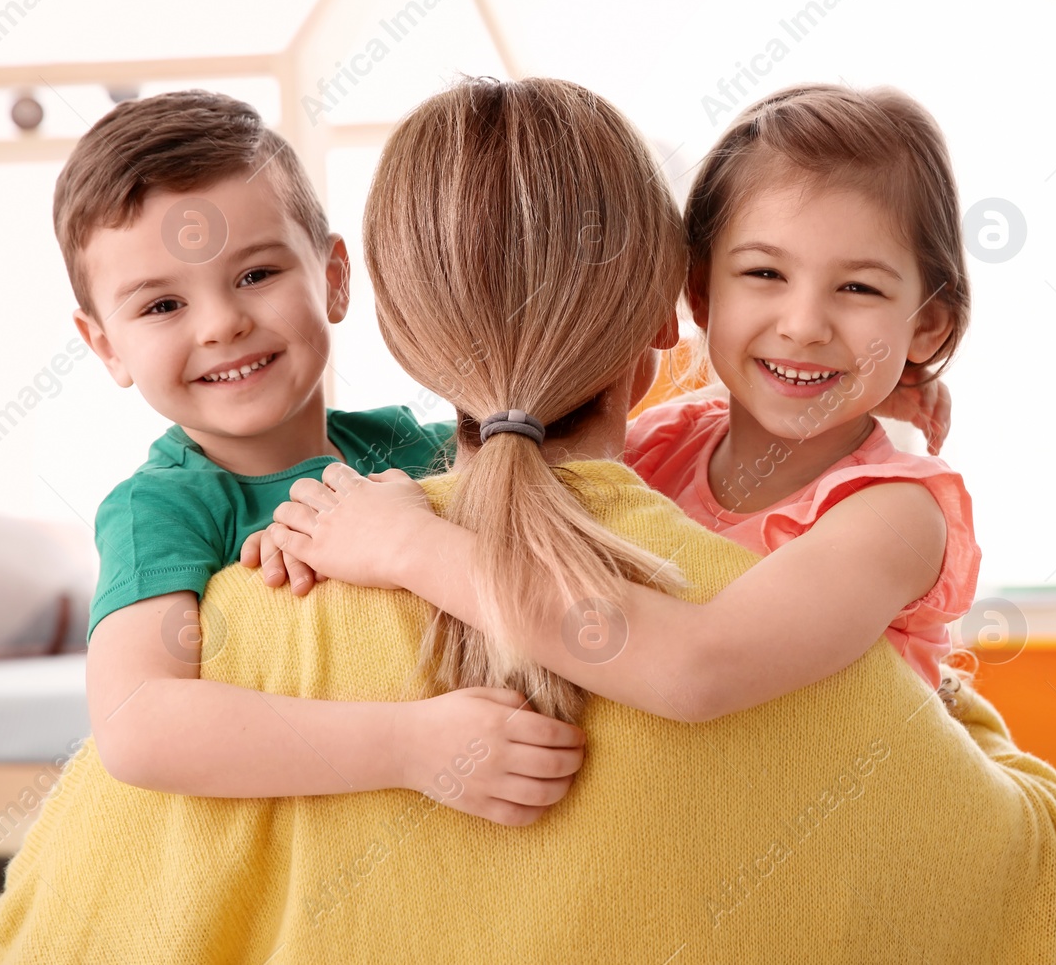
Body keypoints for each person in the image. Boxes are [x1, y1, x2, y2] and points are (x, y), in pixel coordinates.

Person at [0, 77, 1056, 962]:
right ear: (680, 309)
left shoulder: (405, 484)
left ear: (350, 283)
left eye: (255, 272)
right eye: (763, 274)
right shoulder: (176, 515)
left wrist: (414, 548)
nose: (223, 323)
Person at [263, 83, 982, 727]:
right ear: (697, 294)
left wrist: (409, 547)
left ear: (926, 324)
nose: (803, 322)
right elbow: (512, 493)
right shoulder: (658, 442)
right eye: (764, 272)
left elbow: (699, 669)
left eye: (860, 289)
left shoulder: (895, 515)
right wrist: (314, 530)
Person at [55, 90, 585, 825]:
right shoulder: (164, 506)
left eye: (254, 275)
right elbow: (139, 724)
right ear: (107, 344)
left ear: (333, 277)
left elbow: (545, 492)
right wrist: (410, 746)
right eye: (162, 306)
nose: (222, 324)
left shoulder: (409, 443)